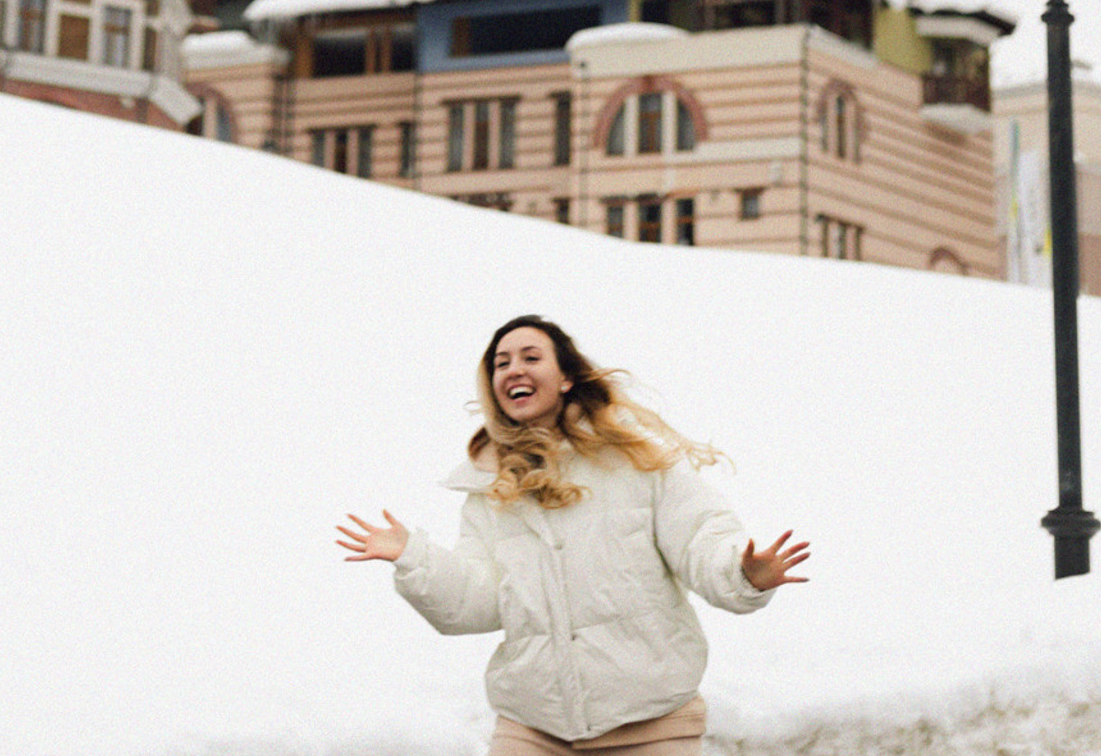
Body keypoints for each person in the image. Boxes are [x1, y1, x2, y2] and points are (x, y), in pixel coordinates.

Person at [337, 313, 808, 753]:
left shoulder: (636, 459)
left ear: (565, 378)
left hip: (651, 724)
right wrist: (415, 558)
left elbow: (700, 536)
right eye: (501, 364)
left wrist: (742, 572)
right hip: (533, 727)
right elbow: (476, 603)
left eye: (530, 357)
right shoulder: (489, 488)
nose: (513, 369)